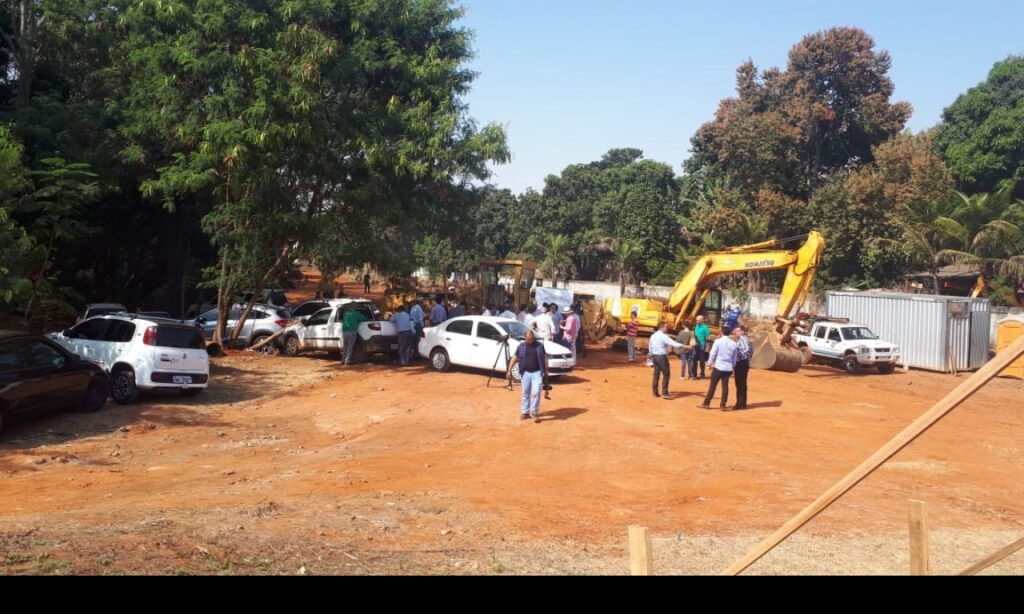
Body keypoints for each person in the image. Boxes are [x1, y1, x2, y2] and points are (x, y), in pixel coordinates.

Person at [506, 330, 547, 422]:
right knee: (525, 393)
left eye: (531, 339)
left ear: (534, 337)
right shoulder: (521, 346)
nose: (530, 341)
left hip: (537, 372)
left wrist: (546, 371)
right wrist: (509, 370)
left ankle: (534, 412)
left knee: (536, 392)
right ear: (525, 338)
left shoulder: (540, 346)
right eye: (528, 339)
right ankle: (525, 412)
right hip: (525, 373)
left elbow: (544, 358)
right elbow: (514, 358)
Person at [699, 326, 741, 409]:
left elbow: (713, 353)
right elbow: (734, 357)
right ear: (729, 333)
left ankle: (706, 403)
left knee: (713, 386)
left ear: (721, 332)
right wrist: (733, 366)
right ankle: (723, 404)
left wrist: (709, 363)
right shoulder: (734, 344)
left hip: (718, 366)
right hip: (728, 367)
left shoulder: (718, 341)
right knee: (725, 386)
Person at [649, 322, 685, 399]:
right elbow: (673, 343)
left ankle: (655, 392)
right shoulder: (663, 336)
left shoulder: (653, 336)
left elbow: (650, 347)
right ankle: (664, 392)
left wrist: (650, 356)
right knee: (666, 374)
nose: (667, 328)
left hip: (655, 356)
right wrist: (685, 346)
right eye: (665, 327)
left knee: (656, 374)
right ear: (661, 327)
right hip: (661, 357)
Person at [732, 326, 753, 410]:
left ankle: (740, 404)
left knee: (740, 383)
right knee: (741, 383)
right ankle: (741, 403)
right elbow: (751, 351)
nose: (736, 332)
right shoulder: (743, 339)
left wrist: (737, 357)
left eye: (737, 331)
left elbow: (746, 350)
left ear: (742, 331)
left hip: (741, 363)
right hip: (743, 363)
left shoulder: (743, 339)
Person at [693, 315, 711, 379]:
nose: (696, 321)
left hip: (701, 347)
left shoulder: (705, 328)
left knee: (701, 361)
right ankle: (694, 374)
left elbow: (708, 337)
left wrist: (705, 344)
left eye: (698, 320)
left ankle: (702, 374)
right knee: (694, 360)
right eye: (696, 320)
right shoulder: (696, 326)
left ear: (702, 320)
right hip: (695, 346)